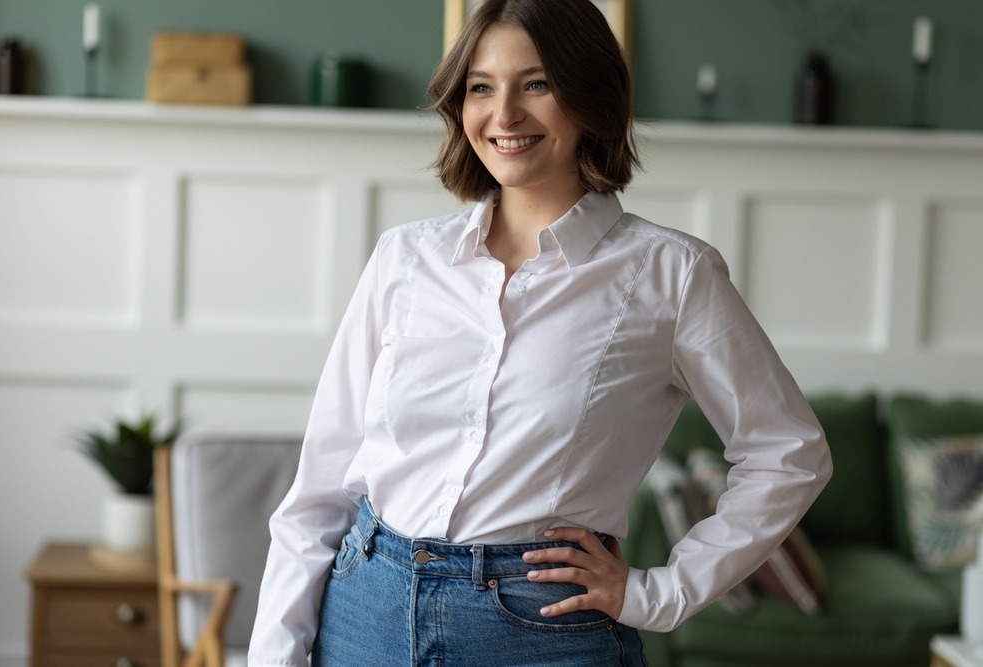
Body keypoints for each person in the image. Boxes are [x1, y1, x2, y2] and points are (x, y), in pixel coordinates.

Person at [248, 0, 832, 665]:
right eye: (481, 87)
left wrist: (661, 592)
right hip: (363, 607)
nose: (504, 115)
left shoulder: (671, 274)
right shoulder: (405, 259)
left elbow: (790, 450)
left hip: (541, 632)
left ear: (589, 97)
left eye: (536, 84)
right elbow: (321, 485)